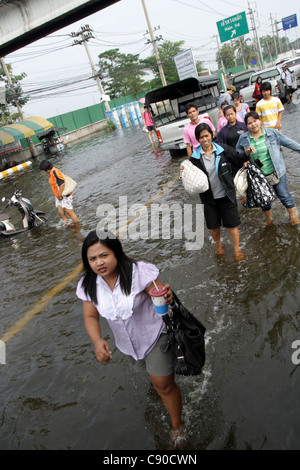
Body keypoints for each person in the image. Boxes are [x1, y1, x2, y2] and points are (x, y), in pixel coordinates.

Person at [76, 230, 185, 447]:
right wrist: (97, 341)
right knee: (154, 379)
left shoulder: (139, 272)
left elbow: (161, 294)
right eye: (93, 259)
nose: (99, 263)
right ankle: (164, 382)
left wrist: (167, 296)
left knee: (162, 383)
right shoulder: (88, 284)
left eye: (104, 255)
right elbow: (90, 315)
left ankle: (178, 425)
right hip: (128, 344)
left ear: (116, 253)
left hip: (155, 335)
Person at [189, 122, 250, 260]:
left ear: (212, 135)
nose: (204, 140)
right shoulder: (194, 158)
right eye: (201, 137)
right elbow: (189, 177)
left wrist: (246, 153)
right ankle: (218, 245)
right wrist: (183, 169)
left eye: (206, 136)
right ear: (198, 139)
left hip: (226, 194)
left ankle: (236, 250)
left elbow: (237, 158)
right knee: (213, 226)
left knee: (232, 224)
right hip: (208, 198)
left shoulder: (222, 149)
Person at [236, 111, 300, 226]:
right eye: (249, 123)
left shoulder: (272, 133)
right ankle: (269, 219)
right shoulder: (244, 138)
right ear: (246, 125)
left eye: (255, 121)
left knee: (284, 195)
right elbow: (238, 153)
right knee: (263, 198)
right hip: (259, 176)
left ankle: (293, 216)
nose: (253, 124)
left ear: (259, 120)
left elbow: (289, 143)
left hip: (276, 171)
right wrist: (245, 156)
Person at [39, 160, 79, 225]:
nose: (43, 172)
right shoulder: (51, 172)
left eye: (43, 170)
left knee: (70, 212)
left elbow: (62, 184)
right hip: (59, 196)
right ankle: (68, 225)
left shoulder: (55, 172)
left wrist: (60, 195)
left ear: (46, 169)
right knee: (61, 212)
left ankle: (77, 227)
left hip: (64, 195)